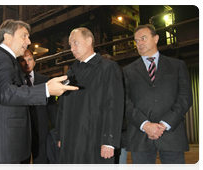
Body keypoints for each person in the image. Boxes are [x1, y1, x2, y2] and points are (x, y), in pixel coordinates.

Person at [0, 19, 78, 170]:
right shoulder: (0, 57)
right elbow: (5, 93)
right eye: (24, 36)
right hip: (4, 145)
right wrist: (46, 90)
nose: (28, 41)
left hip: (8, 145)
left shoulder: (5, 59)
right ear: (8, 37)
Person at [123, 24, 193, 170]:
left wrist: (165, 124)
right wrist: (145, 125)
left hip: (171, 134)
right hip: (140, 136)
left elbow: (185, 97)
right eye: (136, 41)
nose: (139, 43)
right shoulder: (127, 71)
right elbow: (124, 101)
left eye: (143, 38)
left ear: (156, 38)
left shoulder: (177, 66)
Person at [55, 27, 124, 170]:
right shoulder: (71, 71)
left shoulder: (107, 68)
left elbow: (114, 105)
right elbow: (62, 106)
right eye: (70, 44)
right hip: (70, 140)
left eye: (75, 43)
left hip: (95, 140)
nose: (72, 48)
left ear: (89, 40)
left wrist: (109, 141)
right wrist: (60, 135)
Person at [17, 49, 58, 170]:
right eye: (22, 60)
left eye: (29, 59)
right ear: (18, 63)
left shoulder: (45, 80)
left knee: (41, 164)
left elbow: (52, 107)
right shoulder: (15, 82)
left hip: (41, 131)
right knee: (21, 165)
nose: (26, 63)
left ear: (35, 62)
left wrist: (57, 130)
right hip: (22, 132)